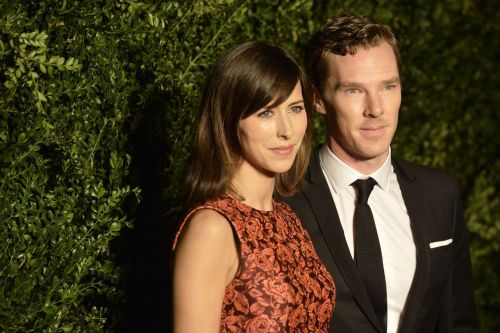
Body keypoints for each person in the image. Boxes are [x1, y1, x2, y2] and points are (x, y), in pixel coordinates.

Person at [283, 12, 477, 333]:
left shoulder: (440, 193)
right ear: (317, 99)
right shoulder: (283, 198)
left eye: (388, 86)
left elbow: (459, 322)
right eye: (353, 90)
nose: (376, 109)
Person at [171, 41, 336, 333]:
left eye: (295, 108)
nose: (287, 130)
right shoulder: (212, 228)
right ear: (229, 119)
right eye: (266, 113)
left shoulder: (288, 219)